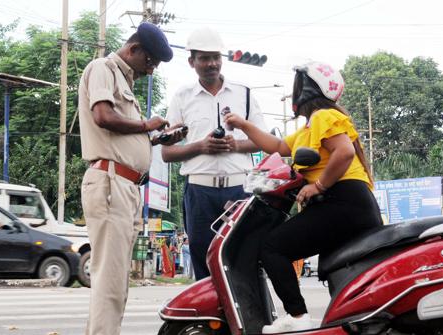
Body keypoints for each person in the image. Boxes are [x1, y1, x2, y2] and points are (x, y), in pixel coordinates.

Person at [224, 61, 383, 333]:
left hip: (343, 201)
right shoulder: (311, 128)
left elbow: (343, 153)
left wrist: (318, 186)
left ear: (307, 89)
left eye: (297, 85)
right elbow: (276, 146)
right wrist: (242, 123)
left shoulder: (323, 116)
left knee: (272, 247)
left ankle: (297, 316)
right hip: (350, 204)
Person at [78, 22, 186, 335]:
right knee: (109, 283)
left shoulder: (123, 81)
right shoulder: (104, 68)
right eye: (150, 61)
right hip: (110, 183)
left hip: (124, 186)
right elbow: (103, 117)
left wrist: (157, 139)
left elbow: (120, 139)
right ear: (133, 48)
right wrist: (147, 125)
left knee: (115, 281)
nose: (150, 70)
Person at [162, 27, 267, 280]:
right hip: (199, 191)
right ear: (192, 62)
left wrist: (235, 145)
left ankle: (242, 318)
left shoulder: (244, 93)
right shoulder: (182, 96)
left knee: (242, 258)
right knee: (203, 259)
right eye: (204, 58)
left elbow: (262, 140)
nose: (211, 64)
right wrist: (200, 147)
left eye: (215, 57)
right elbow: (167, 152)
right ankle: (211, 320)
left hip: (239, 189)